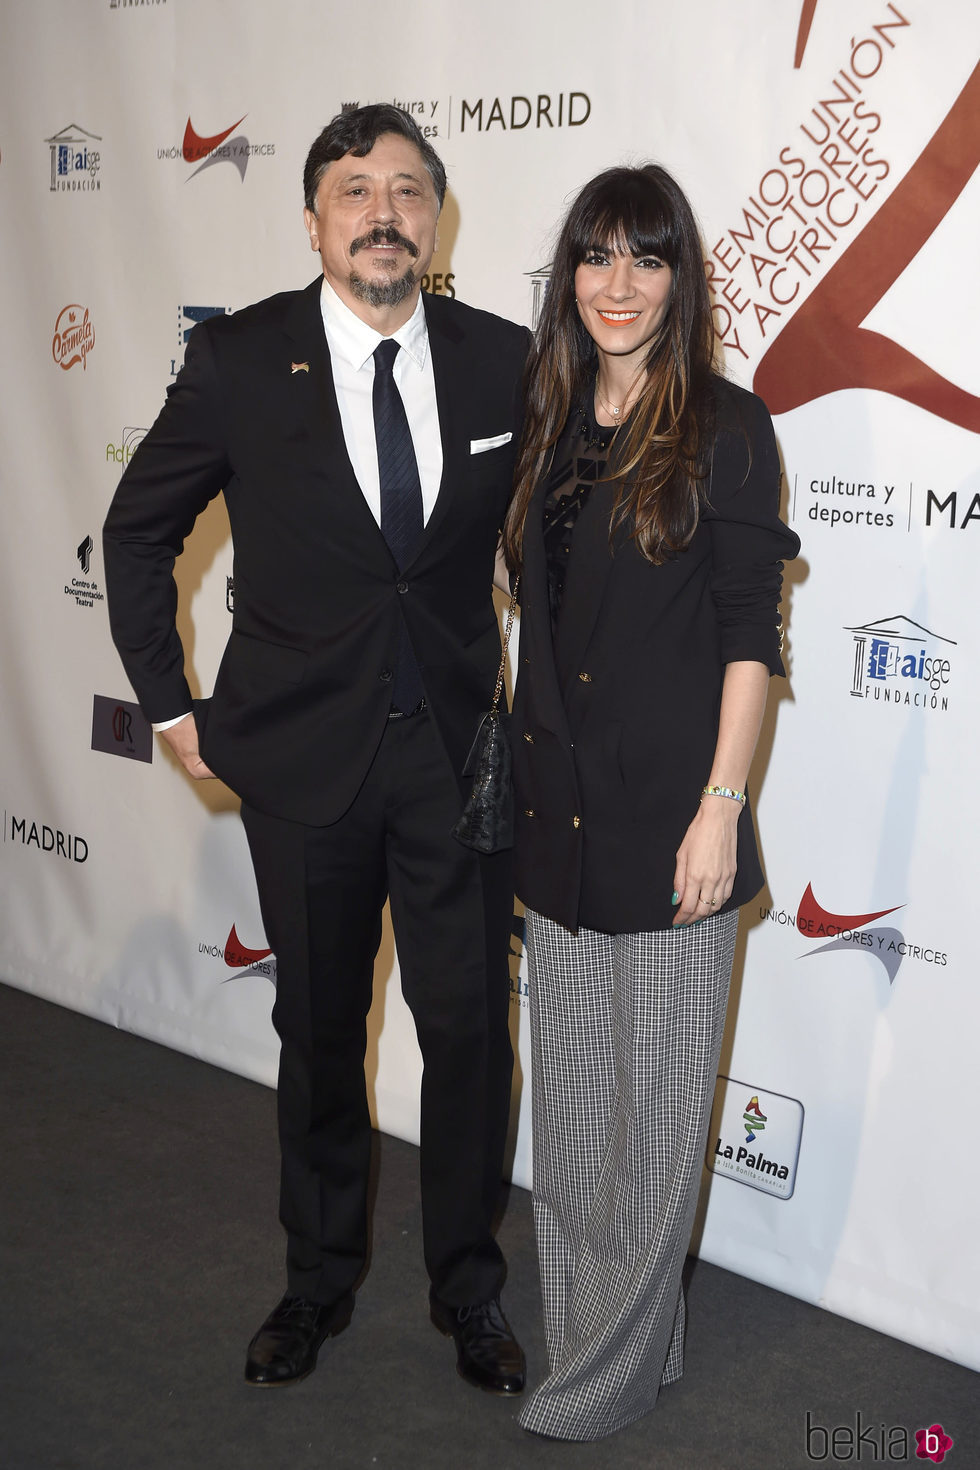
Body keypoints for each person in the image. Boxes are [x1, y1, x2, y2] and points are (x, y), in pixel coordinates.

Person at [103, 105, 528, 1395]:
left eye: (406, 189)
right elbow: (135, 533)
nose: (381, 212)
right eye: (354, 191)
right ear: (313, 220)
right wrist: (173, 711)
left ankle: (470, 1288)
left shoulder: (506, 359)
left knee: (466, 1034)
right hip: (303, 765)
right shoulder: (240, 361)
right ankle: (316, 1280)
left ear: (436, 218)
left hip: (459, 762)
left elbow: (559, 544)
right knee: (316, 1033)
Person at [501, 163, 800, 1440]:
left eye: (647, 257)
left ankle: (595, 1387)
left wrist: (720, 807)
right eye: (596, 256)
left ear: (680, 280)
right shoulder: (545, 418)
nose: (617, 285)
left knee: (661, 1117)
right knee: (571, 1116)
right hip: (554, 816)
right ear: (567, 275)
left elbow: (749, 635)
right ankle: (608, 1345)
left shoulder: (728, 429)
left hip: (674, 821)